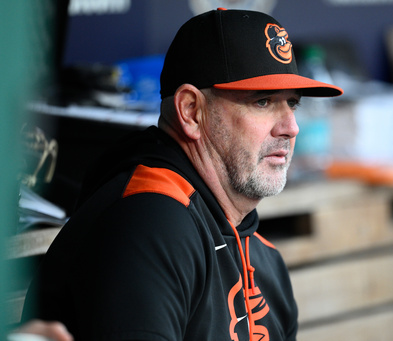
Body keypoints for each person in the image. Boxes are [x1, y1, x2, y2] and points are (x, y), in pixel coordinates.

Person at [21, 8, 343, 341]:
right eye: (263, 101)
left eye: (292, 103)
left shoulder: (263, 257)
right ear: (191, 111)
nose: (291, 127)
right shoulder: (148, 225)